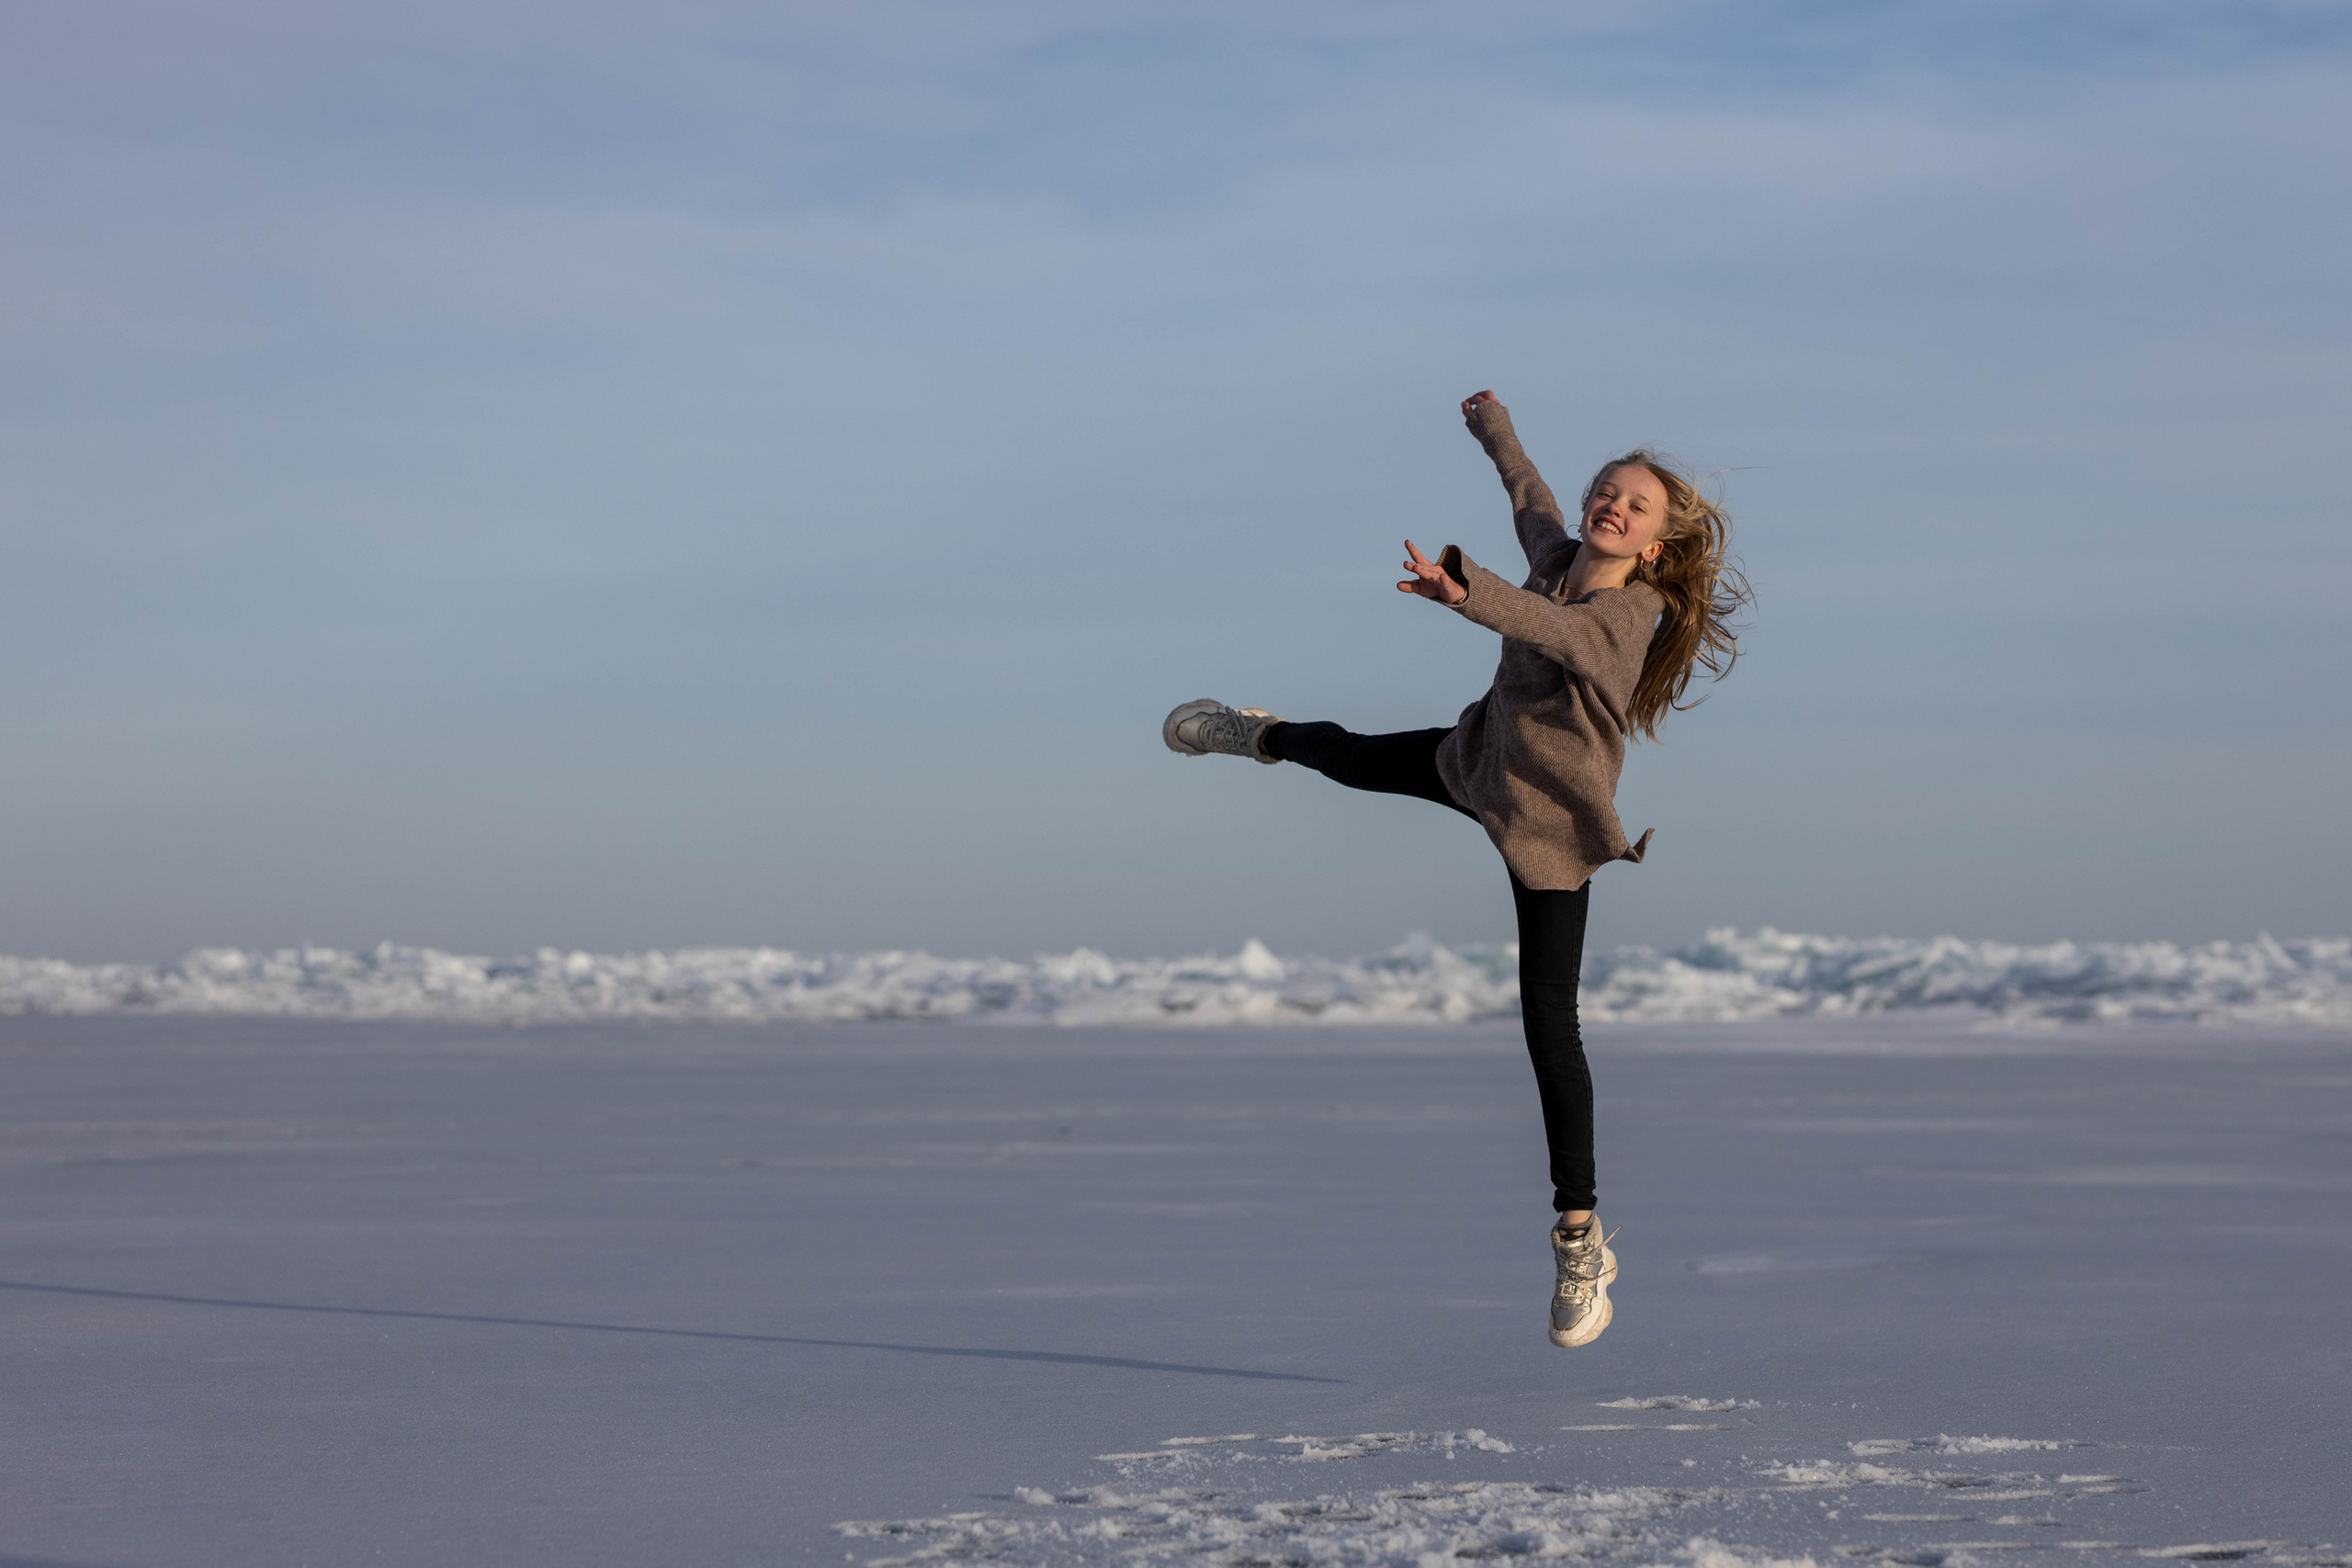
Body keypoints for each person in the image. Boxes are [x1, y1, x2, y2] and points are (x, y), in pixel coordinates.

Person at [1161, 389, 1748, 1348]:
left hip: (1551, 824)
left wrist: (1464, 592)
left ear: (1655, 546)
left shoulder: (1626, 614)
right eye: (1608, 491)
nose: (1614, 506)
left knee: (1549, 1024)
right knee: (1345, 754)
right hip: (1478, 761)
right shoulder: (1558, 557)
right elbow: (1529, 499)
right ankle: (1256, 733)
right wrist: (1495, 432)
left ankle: (1580, 1241)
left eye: (1635, 505)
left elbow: (1556, 631)